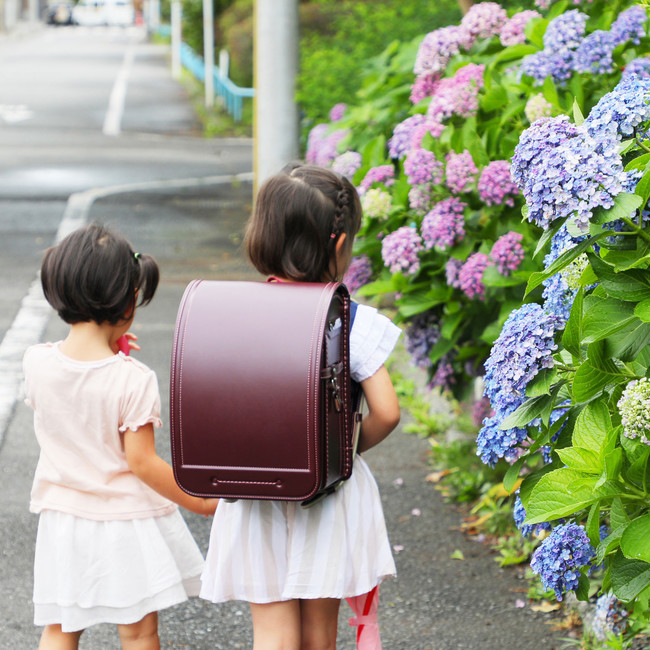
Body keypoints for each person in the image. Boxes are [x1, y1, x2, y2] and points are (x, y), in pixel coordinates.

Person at [199, 164, 402, 649]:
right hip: (328, 496)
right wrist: (339, 454)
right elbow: (388, 412)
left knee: (271, 630)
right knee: (319, 633)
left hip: (255, 494)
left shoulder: (234, 312)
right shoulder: (353, 320)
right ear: (338, 245)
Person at [23, 223, 217, 650]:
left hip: (63, 520)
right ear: (128, 299)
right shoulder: (133, 379)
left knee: (60, 626)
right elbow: (142, 462)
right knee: (138, 631)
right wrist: (200, 503)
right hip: (123, 523)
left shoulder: (36, 362)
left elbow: (75, 388)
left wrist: (108, 348)